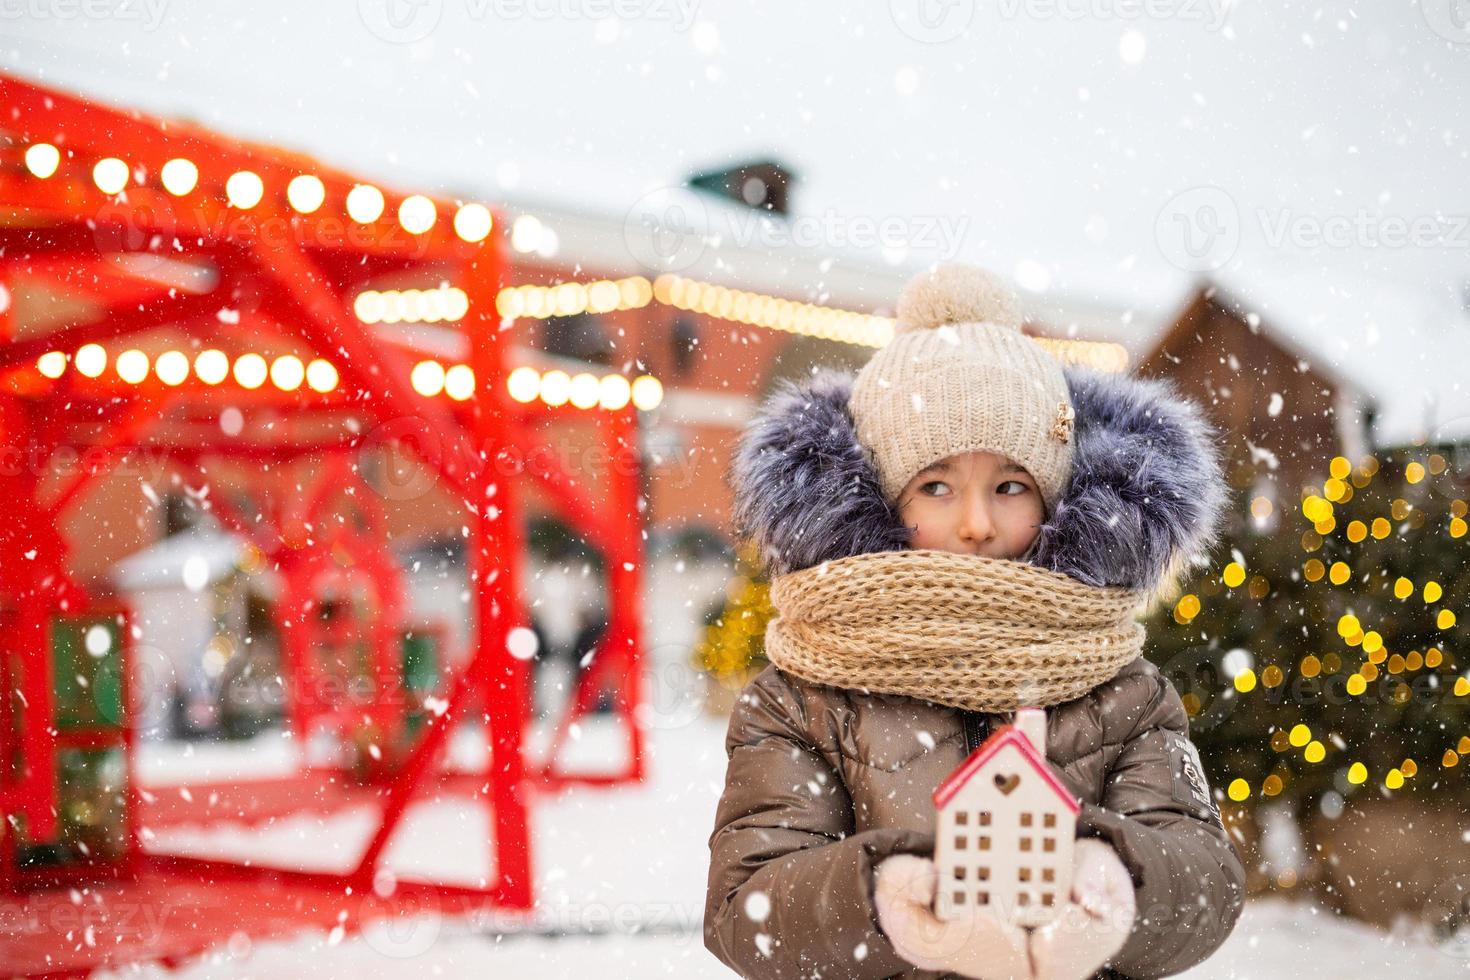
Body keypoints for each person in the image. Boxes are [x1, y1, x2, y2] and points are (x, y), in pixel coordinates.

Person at [705, 264, 1246, 979]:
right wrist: (886, 899)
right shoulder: (802, 698)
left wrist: (1116, 883)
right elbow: (747, 908)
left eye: (1010, 486)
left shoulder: (1123, 691)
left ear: (1055, 498)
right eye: (935, 485)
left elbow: (1205, 876)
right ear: (881, 499)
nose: (976, 523)